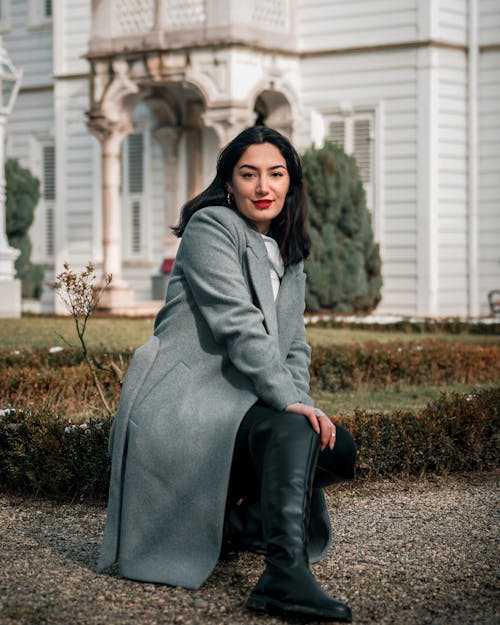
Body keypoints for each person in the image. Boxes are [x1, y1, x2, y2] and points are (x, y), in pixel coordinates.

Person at [97, 126, 356, 622]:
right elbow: (239, 326)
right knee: (291, 425)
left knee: (337, 449)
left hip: (238, 404)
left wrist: (301, 402)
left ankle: (229, 525)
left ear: (290, 184)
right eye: (249, 174)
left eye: (275, 174)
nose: (263, 186)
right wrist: (288, 403)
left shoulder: (287, 253)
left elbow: (294, 345)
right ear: (229, 183)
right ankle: (285, 575)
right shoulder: (211, 227)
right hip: (187, 401)